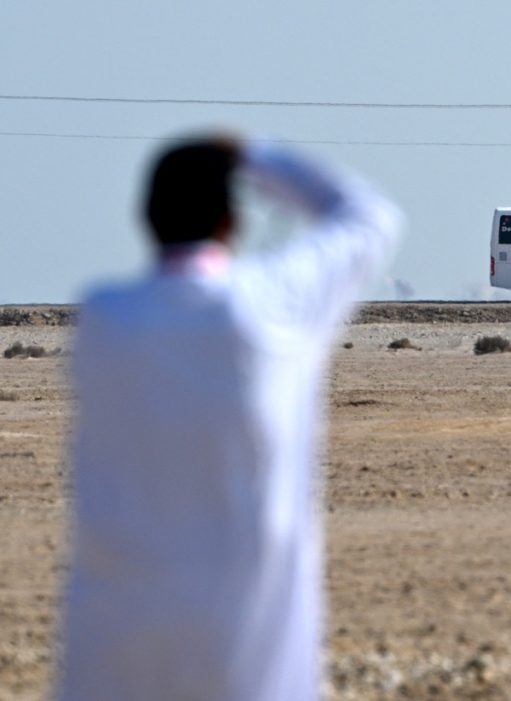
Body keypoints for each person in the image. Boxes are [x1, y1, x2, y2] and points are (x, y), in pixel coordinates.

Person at [60, 135, 401, 700]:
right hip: (248, 650)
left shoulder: (103, 320)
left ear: (146, 218)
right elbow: (370, 216)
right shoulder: (272, 306)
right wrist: (257, 154)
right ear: (229, 220)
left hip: (115, 644)